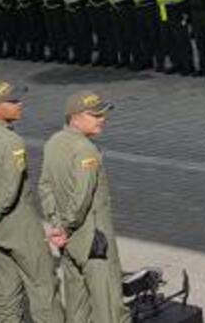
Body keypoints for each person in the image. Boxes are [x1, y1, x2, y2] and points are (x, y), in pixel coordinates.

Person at [0, 81, 62, 323]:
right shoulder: (12, 142)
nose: (20, 104)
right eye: (13, 101)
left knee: (7, 285)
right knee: (43, 285)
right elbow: (11, 187)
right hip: (20, 225)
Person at [40, 91, 130, 323]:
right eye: (95, 115)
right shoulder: (85, 150)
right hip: (94, 242)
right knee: (109, 309)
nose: (102, 119)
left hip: (69, 244)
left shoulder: (53, 143)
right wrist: (66, 227)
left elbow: (45, 187)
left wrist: (56, 224)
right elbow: (81, 199)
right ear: (75, 118)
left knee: (77, 307)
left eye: (103, 114)